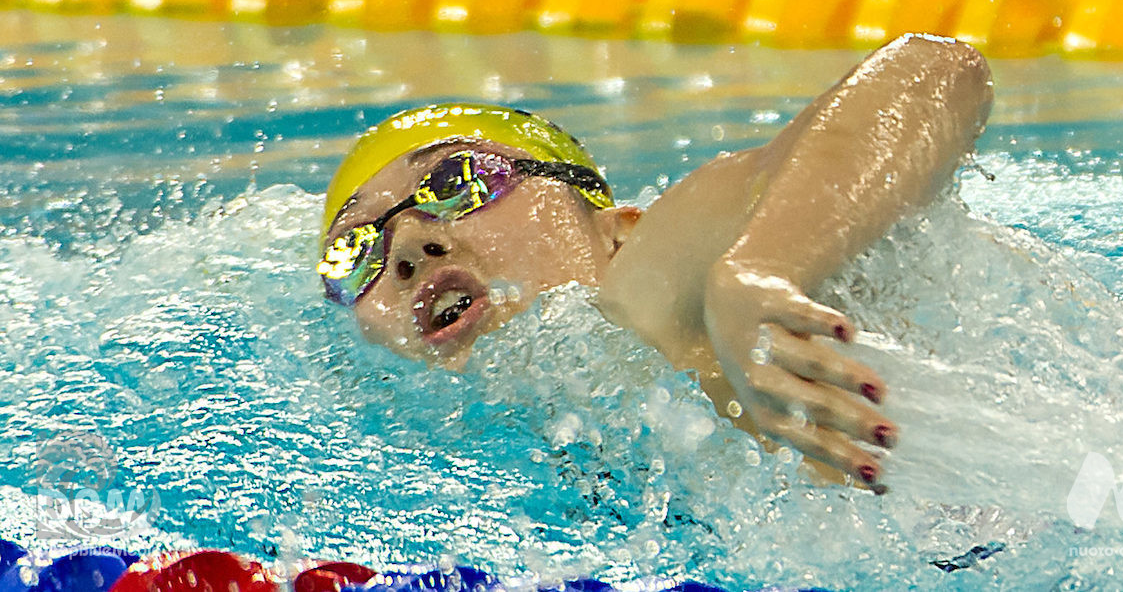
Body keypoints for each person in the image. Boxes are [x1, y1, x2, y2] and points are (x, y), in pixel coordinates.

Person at [317, 33, 993, 491]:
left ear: (618, 229)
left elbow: (937, 71)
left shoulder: (649, 296)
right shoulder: (488, 467)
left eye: (460, 179)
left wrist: (761, 264)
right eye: (355, 250)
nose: (407, 245)